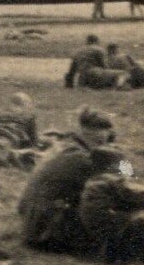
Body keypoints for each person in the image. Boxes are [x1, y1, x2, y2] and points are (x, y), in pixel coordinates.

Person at [17, 107, 120, 253]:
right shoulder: (85, 159)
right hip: (49, 235)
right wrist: (118, 156)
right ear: (101, 136)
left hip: (29, 225)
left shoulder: (62, 147)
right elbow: (123, 182)